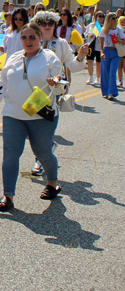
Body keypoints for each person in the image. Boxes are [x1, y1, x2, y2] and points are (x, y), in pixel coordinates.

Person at [0, 22, 63, 212]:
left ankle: (52, 182)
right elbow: (1, 84)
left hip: (40, 116)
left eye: (33, 37)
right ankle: (8, 195)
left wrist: (56, 82)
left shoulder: (50, 58)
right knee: (10, 156)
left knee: (43, 153)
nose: (28, 40)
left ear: (40, 38)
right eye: (24, 37)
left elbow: (62, 84)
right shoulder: (14, 58)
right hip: (13, 115)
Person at [30, 10, 89, 176]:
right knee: (33, 127)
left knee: (45, 126)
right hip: (33, 90)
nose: (47, 26)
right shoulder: (32, 41)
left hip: (53, 91)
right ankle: (46, 148)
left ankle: (39, 159)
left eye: (50, 23)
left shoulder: (62, 43)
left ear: (55, 25)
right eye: (43, 23)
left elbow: (73, 65)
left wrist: (80, 56)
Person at [99, 12, 125, 100]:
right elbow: (101, 42)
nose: (115, 20)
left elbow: (124, 42)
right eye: (113, 18)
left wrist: (119, 40)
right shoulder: (104, 30)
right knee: (105, 72)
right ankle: (105, 92)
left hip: (116, 52)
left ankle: (112, 92)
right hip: (106, 51)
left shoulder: (119, 30)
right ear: (109, 20)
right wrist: (102, 52)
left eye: (116, 18)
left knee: (112, 72)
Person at [84, 10, 103, 85]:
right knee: (90, 61)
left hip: (99, 45)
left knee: (98, 63)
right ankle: (90, 77)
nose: (101, 18)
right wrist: (89, 35)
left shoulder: (104, 26)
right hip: (91, 44)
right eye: (99, 16)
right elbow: (86, 33)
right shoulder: (91, 25)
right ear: (95, 17)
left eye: (102, 16)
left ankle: (97, 78)